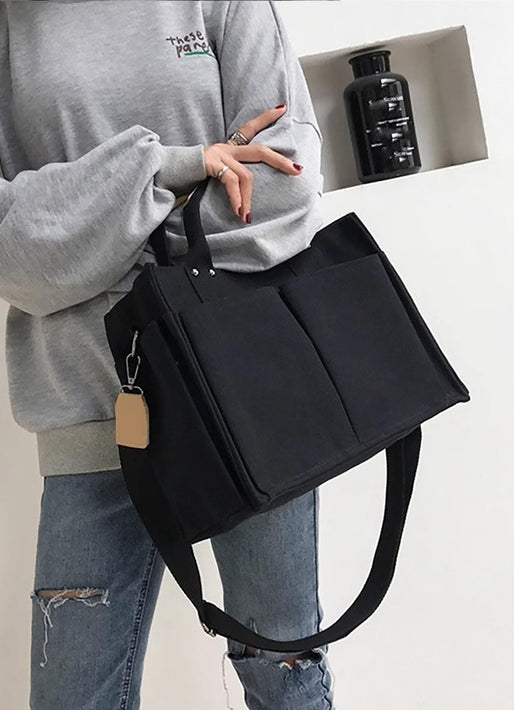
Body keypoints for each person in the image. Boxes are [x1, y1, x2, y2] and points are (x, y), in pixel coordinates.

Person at [0, 1, 334, 708]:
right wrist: (180, 168)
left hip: (245, 396)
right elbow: (12, 250)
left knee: (284, 676)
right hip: (92, 415)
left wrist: (87, 237)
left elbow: (285, 184)